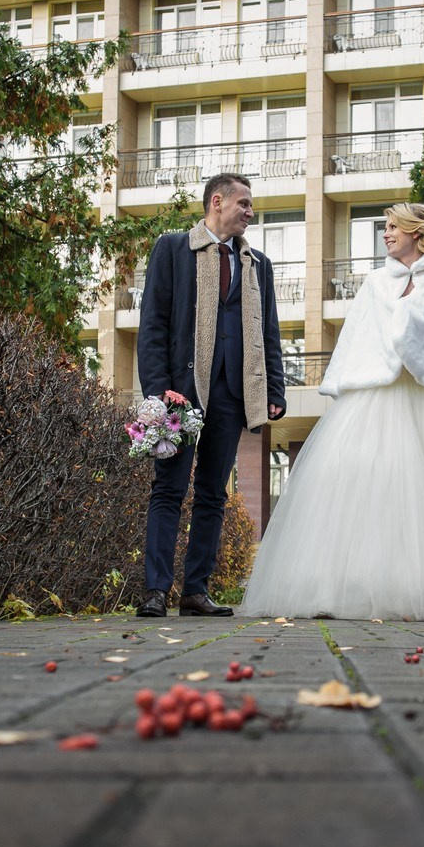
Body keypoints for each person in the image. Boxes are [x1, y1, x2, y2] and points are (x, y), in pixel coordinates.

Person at [237, 202, 424, 623]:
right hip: (372, 403)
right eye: (384, 227)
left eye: (392, 227)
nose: (385, 234)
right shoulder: (376, 283)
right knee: (364, 490)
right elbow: (359, 339)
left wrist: (415, 345)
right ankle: (351, 585)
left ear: (416, 233)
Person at [134, 173, 286, 617]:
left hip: (232, 394)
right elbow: (153, 325)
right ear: (217, 202)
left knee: (213, 494)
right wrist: (157, 390)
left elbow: (268, 332)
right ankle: (155, 591)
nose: (250, 213)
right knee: (168, 489)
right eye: (244, 204)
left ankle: (195, 591)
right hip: (181, 391)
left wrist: (273, 387)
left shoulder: (258, 264)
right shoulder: (172, 249)